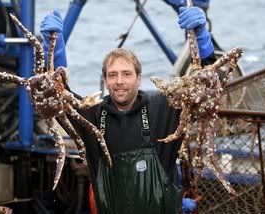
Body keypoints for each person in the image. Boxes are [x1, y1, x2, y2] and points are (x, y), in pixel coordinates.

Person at [40, 1, 215, 213]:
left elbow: (205, 88)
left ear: (138, 78)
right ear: (105, 81)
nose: (119, 81)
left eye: (126, 74)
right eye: (112, 75)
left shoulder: (164, 108)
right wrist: (53, 51)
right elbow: (56, 96)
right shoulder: (93, 116)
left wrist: (203, 43)